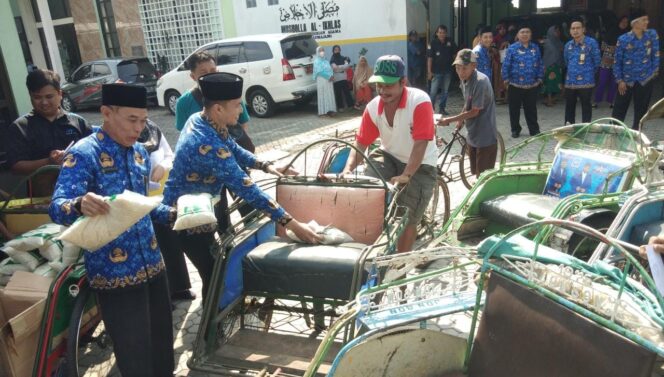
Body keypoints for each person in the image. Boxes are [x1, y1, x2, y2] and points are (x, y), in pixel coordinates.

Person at [49, 84, 175, 377]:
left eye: (143, 121)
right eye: (132, 120)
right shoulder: (84, 153)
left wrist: (174, 215)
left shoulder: (140, 154)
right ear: (107, 113)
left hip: (153, 265)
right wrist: (79, 203)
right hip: (114, 273)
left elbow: (142, 205)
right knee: (134, 352)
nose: (139, 128)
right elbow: (57, 207)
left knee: (161, 342)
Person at [162, 72, 322, 302]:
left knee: (217, 269)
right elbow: (247, 189)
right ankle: (209, 333)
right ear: (218, 109)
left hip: (203, 206)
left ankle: (217, 319)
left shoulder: (202, 119)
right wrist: (293, 224)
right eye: (237, 105)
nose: (241, 110)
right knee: (215, 275)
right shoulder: (205, 142)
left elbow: (234, 148)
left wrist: (267, 165)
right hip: (185, 218)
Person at [341, 55, 437, 253]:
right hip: (389, 156)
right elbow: (361, 143)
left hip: (420, 164)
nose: (383, 91)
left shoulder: (419, 101)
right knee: (366, 191)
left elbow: (420, 144)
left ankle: (399, 268)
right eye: (379, 86)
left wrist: (407, 175)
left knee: (408, 216)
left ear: (403, 82)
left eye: (389, 86)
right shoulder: (373, 107)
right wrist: (348, 169)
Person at [6, 69, 91, 196]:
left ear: (60, 94)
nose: (44, 102)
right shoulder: (20, 127)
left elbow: (95, 154)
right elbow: (16, 166)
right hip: (42, 198)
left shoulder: (78, 122)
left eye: (49, 96)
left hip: (82, 194)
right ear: (30, 96)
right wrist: (48, 162)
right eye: (37, 97)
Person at [438, 49, 498, 178]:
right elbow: (467, 101)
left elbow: (474, 111)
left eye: (464, 68)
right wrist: (460, 120)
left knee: (483, 177)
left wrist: (449, 120)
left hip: (485, 135)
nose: (460, 72)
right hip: (473, 133)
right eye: (458, 68)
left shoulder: (480, 82)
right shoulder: (465, 80)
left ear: (474, 66)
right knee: (475, 171)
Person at [611, 11, 659, 131]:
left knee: (641, 109)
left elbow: (656, 55)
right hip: (626, 81)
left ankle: (636, 134)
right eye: (644, 20)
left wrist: (653, 73)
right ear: (635, 23)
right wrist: (620, 80)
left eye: (647, 20)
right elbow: (617, 61)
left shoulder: (652, 35)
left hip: (645, 79)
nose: (647, 22)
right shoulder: (623, 39)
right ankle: (614, 133)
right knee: (619, 108)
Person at [502, 24, 544, 138]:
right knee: (514, 109)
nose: (525, 34)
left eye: (527, 32)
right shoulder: (512, 48)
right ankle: (515, 129)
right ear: (517, 35)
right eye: (522, 32)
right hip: (515, 84)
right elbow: (506, 65)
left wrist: (540, 78)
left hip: (532, 84)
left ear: (530, 35)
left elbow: (540, 63)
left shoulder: (535, 48)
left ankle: (534, 129)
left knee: (531, 109)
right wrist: (506, 79)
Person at [563, 19, 601, 125]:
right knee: (570, 105)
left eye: (578, 28)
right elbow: (566, 61)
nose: (575, 30)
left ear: (583, 29)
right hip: (570, 81)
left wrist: (587, 72)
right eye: (573, 28)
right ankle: (569, 127)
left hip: (586, 80)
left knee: (586, 105)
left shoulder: (591, 43)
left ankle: (586, 126)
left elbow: (597, 61)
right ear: (570, 31)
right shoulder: (568, 45)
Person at [593, 15, 628, 108]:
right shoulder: (611, 31)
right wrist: (615, 49)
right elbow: (603, 46)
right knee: (602, 81)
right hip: (606, 60)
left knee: (614, 82)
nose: (624, 24)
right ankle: (596, 101)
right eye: (623, 22)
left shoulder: (627, 34)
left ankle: (611, 101)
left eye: (626, 22)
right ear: (619, 22)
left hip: (618, 62)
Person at [427, 24, 458, 115]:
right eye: (440, 32)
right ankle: (430, 109)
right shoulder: (432, 43)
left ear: (446, 33)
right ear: (437, 33)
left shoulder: (450, 42)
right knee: (433, 92)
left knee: (445, 91)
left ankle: (442, 108)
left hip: (447, 71)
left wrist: (457, 67)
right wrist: (429, 72)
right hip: (436, 72)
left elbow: (455, 55)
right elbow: (430, 58)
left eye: (443, 33)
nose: (441, 34)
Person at [542, 25, 564, 107]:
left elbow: (562, 52)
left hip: (557, 65)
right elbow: (547, 55)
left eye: (558, 31)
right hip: (549, 65)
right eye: (556, 31)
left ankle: (549, 99)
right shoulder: (547, 42)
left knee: (556, 83)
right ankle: (549, 100)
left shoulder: (558, 42)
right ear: (551, 32)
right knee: (549, 84)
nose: (558, 33)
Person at [313, 46, 337, 117]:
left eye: (323, 50)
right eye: (320, 51)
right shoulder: (316, 61)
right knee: (323, 94)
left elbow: (330, 69)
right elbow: (319, 71)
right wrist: (329, 76)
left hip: (329, 80)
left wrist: (332, 75)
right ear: (317, 52)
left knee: (330, 94)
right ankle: (323, 112)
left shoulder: (326, 61)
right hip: (322, 80)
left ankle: (330, 110)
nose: (322, 52)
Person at [330, 45, 354, 111]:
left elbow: (347, 66)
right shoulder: (332, 59)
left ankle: (351, 105)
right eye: (335, 50)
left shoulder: (343, 58)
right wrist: (343, 67)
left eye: (338, 49)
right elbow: (334, 68)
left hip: (343, 77)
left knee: (347, 92)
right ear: (333, 51)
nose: (337, 51)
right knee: (338, 94)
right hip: (336, 78)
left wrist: (339, 67)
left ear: (340, 50)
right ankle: (340, 107)